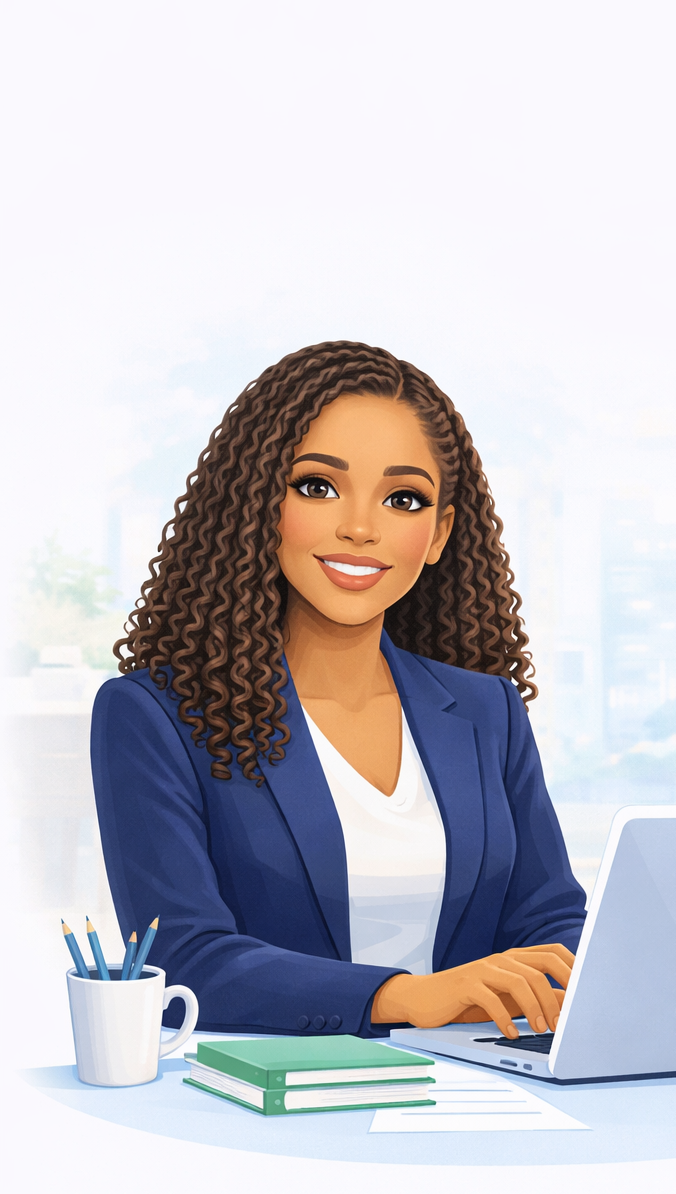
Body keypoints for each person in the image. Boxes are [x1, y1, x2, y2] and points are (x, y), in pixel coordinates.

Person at [91, 340, 585, 1039]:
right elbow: (183, 957)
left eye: (403, 498)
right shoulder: (155, 717)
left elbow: (552, 915)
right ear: (258, 501)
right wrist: (405, 998)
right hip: (278, 1097)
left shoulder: (485, 710)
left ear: (440, 532)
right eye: (318, 486)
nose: (360, 526)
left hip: (482, 1080)